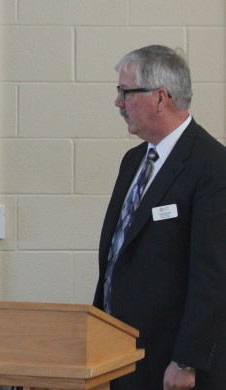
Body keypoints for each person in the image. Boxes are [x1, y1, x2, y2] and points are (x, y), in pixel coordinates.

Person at [93, 45, 226, 390]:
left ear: (160, 97)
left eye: (126, 92)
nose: (118, 103)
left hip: (171, 361)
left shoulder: (212, 166)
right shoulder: (133, 161)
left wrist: (187, 360)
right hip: (121, 352)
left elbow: (212, 275)